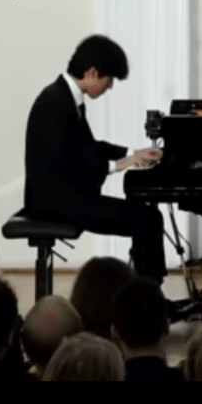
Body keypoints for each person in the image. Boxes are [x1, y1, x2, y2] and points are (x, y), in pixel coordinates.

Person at [23, 34, 167, 285]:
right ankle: (148, 295)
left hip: (64, 197)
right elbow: (69, 164)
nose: (109, 87)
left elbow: (88, 148)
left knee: (148, 218)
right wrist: (121, 164)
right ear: (92, 72)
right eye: (109, 80)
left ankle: (147, 291)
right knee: (147, 220)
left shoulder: (64, 97)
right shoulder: (56, 103)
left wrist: (132, 153)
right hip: (55, 203)